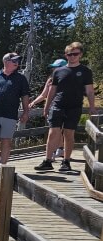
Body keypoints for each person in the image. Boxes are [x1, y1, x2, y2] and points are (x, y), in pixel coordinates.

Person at [35, 42, 96, 172]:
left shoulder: (85, 71)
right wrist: (46, 107)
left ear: (80, 55)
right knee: (53, 132)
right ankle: (47, 160)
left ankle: (66, 161)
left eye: (75, 54)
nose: (72, 56)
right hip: (58, 105)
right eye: (70, 54)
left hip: (74, 106)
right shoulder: (58, 71)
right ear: (66, 55)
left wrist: (92, 107)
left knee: (69, 133)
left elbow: (90, 91)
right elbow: (52, 91)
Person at [0, 52, 31, 164]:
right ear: (6, 61)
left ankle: (3, 165)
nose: (17, 63)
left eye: (18, 61)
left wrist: (26, 112)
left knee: (6, 139)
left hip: (10, 114)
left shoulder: (21, 78)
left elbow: (25, 96)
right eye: (14, 61)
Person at [29, 58, 68, 160]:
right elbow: (43, 95)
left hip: (63, 107)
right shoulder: (50, 80)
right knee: (55, 130)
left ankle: (57, 151)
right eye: (54, 68)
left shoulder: (68, 79)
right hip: (51, 108)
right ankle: (58, 150)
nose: (54, 70)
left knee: (58, 130)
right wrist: (33, 102)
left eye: (57, 67)